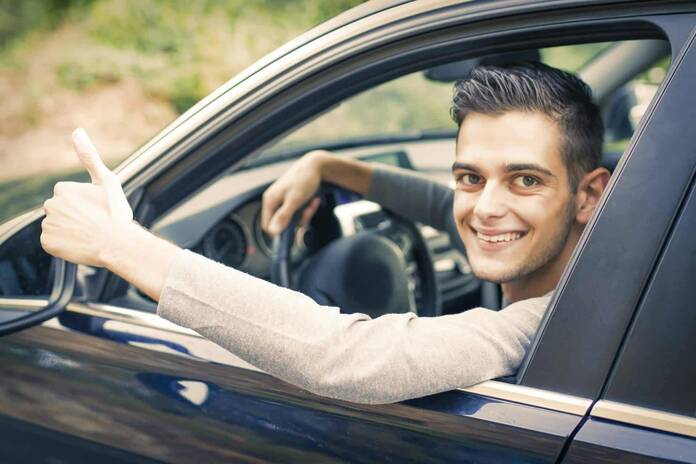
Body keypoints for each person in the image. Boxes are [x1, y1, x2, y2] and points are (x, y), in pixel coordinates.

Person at [40, 63, 609, 404]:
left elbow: (344, 357)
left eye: (526, 180)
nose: (486, 208)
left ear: (588, 196)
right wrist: (329, 165)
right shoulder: (600, 261)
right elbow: (445, 208)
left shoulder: (544, 322)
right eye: (470, 177)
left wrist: (118, 244)